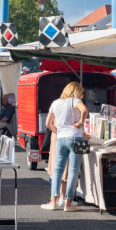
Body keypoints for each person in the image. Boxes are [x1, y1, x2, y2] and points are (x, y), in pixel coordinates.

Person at [41, 82, 88, 212]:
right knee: (73, 171)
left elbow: (48, 123)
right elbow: (84, 110)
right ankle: (68, 203)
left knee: (58, 170)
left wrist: (59, 131)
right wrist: (80, 122)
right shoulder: (74, 101)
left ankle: (53, 201)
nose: (82, 96)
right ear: (76, 92)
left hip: (61, 139)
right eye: (81, 93)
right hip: (76, 138)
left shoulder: (55, 103)